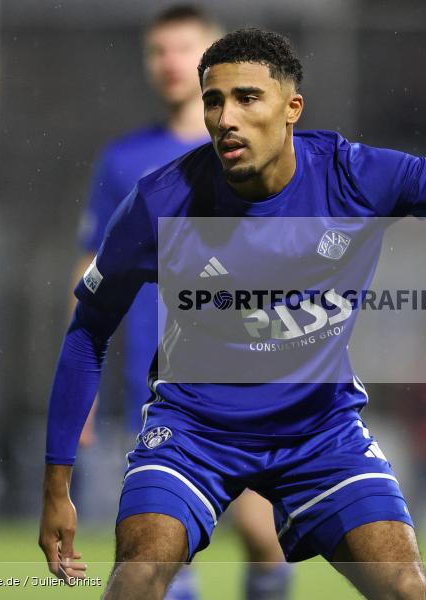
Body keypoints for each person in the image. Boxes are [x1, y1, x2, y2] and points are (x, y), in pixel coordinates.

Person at [40, 28, 426, 599]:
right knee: (137, 578)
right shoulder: (161, 202)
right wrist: (57, 488)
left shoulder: (355, 177)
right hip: (194, 433)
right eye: (214, 101)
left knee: (408, 588)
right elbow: (87, 329)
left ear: (291, 108)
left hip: (319, 434)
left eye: (247, 97)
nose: (226, 117)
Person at [70, 6, 290, 599]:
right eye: (158, 51)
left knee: (264, 535)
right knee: (162, 542)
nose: (170, 63)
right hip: (159, 378)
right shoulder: (124, 161)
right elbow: (92, 272)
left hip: (251, 370)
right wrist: (78, 384)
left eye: (183, 49)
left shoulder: (261, 148)